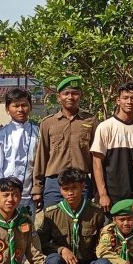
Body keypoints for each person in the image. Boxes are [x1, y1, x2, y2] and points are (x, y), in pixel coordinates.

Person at [38, 167, 107, 264]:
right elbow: (40, 243)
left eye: (75, 188)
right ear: (60, 190)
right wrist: (60, 249)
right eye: (66, 189)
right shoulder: (52, 213)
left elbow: (105, 240)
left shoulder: (96, 212)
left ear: (83, 187)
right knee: (53, 261)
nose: (70, 193)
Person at [32, 76, 96, 209]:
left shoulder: (91, 121)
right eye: (66, 93)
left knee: (83, 224)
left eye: (75, 93)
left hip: (81, 182)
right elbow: (42, 156)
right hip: (54, 183)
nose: (70, 97)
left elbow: (96, 157)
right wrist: (37, 187)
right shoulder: (48, 123)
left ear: (81, 96)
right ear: (59, 96)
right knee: (53, 222)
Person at [91, 82, 133, 213]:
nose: (129, 101)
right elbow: (97, 162)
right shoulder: (105, 127)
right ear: (118, 100)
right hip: (111, 195)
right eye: (125, 98)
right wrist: (103, 194)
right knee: (108, 232)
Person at [0, 88, 40, 220]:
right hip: (6, 196)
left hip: (29, 194)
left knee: (26, 229)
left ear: (30, 107)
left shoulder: (38, 133)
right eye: (15, 106)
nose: (20, 109)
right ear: (7, 109)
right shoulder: (0, 136)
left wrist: (38, 189)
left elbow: (39, 164)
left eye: (24, 105)